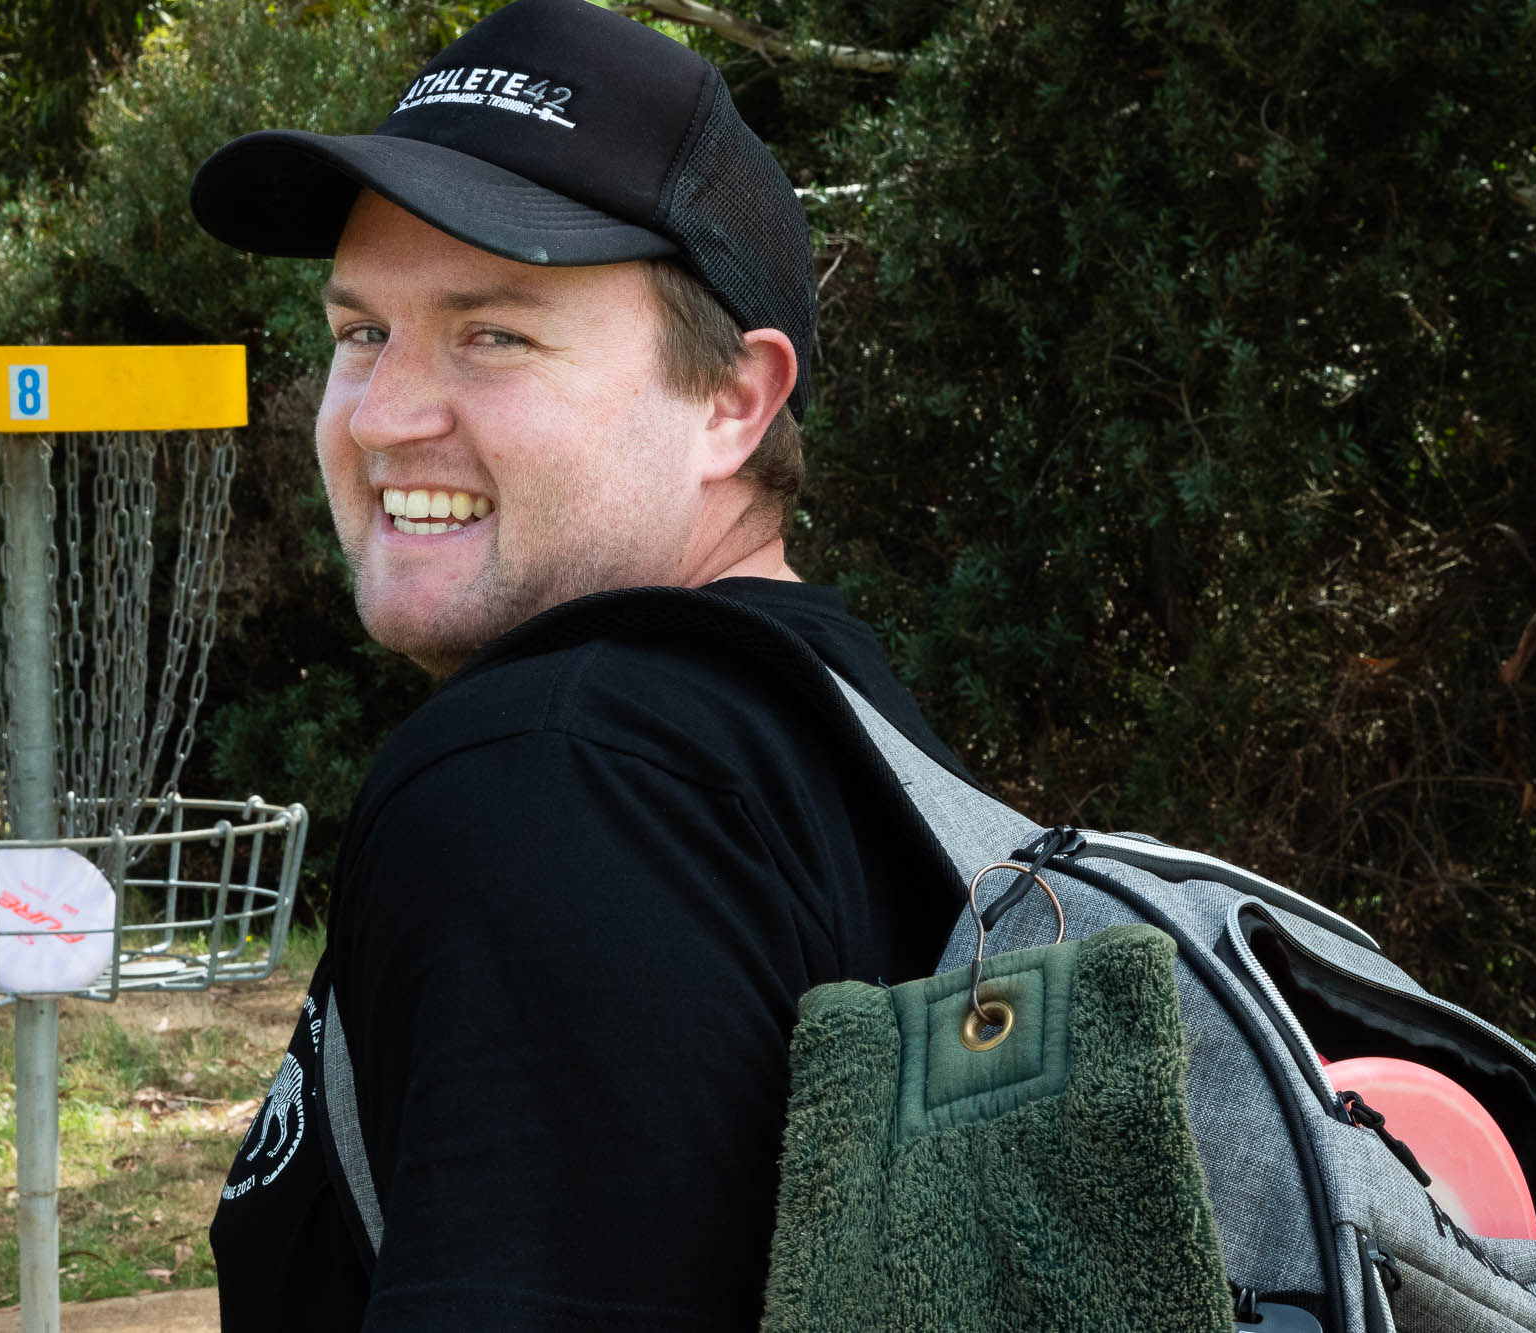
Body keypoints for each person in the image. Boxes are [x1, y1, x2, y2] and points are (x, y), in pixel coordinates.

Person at [191, 0, 972, 1325]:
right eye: (360, 331)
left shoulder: (561, 773)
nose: (379, 416)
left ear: (733, 400)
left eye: (494, 332)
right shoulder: (837, 739)